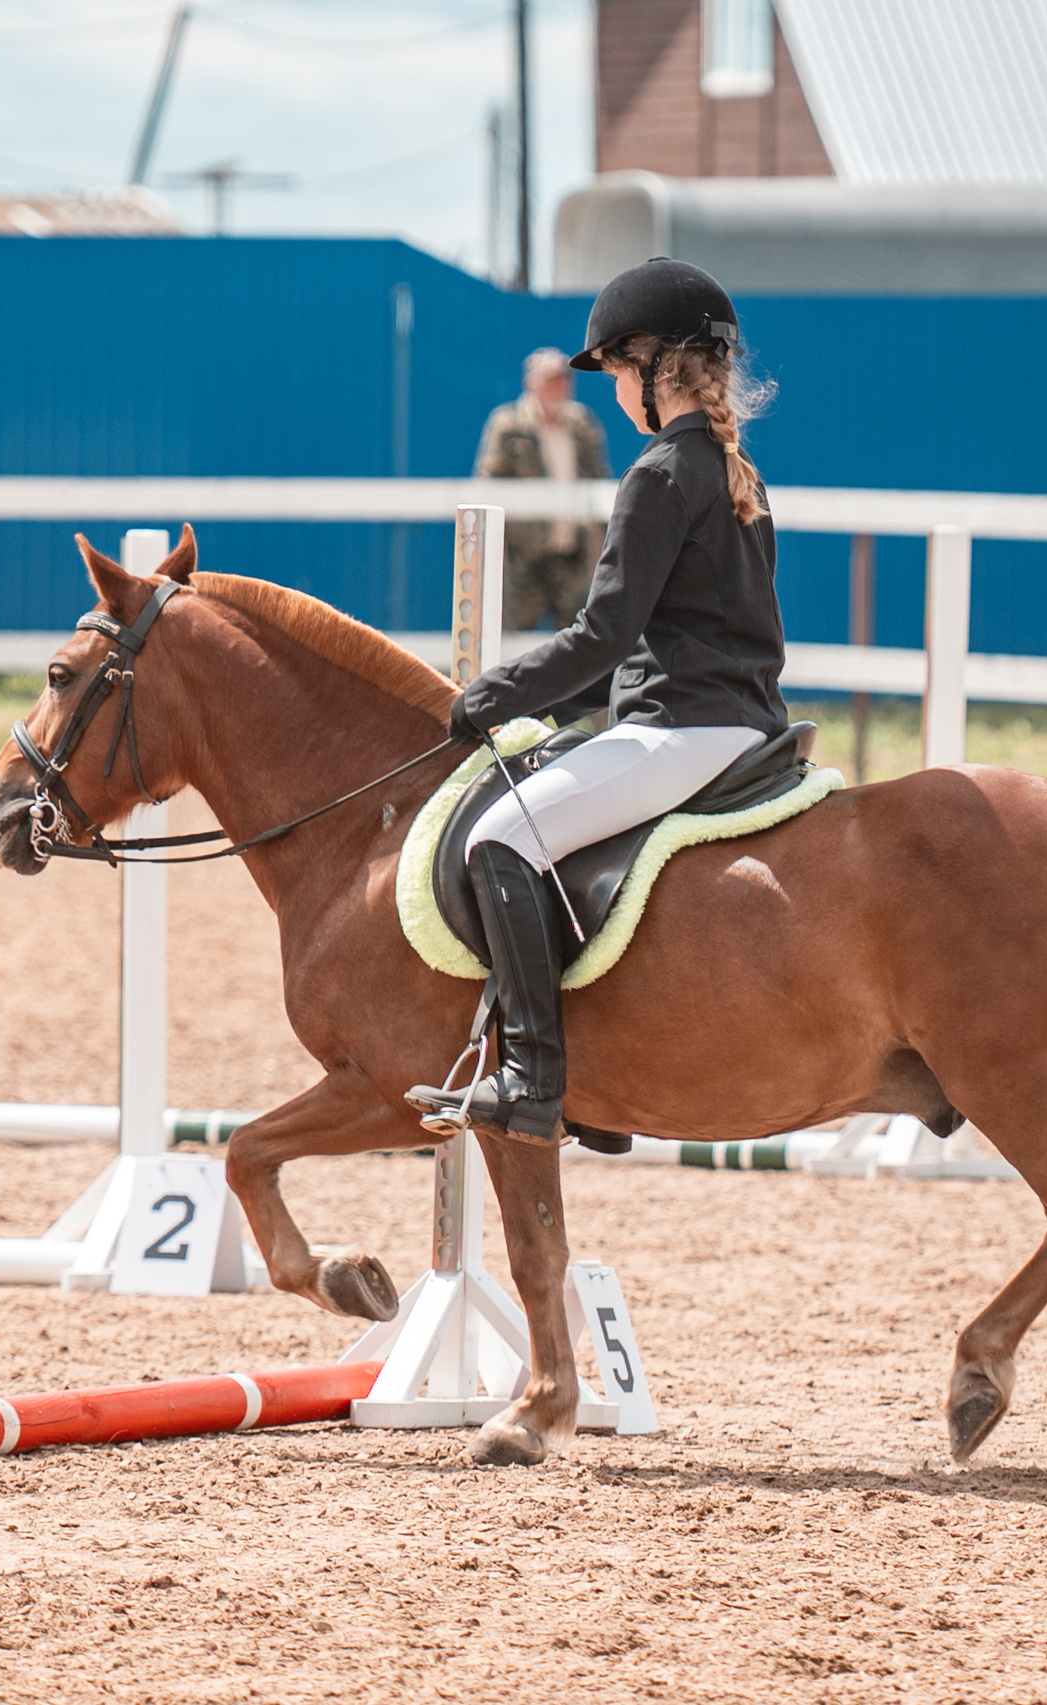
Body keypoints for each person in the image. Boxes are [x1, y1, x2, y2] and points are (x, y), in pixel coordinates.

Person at [409, 258, 788, 1147]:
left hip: (685, 729)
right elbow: (652, 641)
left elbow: (604, 635)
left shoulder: (659, 475)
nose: (613, 389)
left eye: (619, 369)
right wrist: (542, 705)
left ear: (658, 371)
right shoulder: (737, 470)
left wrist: (489, 693)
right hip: (738, 721)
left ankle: (534, 1076)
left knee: (501, 834)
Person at [474, 347, 612, 631]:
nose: (559, 387)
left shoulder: (583, 425)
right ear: (531, 383)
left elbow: (600, 481)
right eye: (551, 379)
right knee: (514, 641)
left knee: (576, 642)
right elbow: (488, 485)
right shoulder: (508, 426)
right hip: (525, 557)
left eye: (563, 379)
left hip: (572, 554)